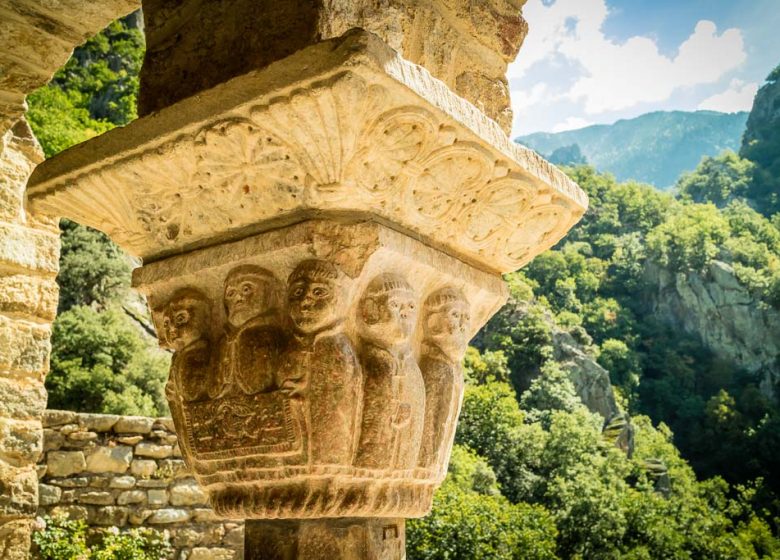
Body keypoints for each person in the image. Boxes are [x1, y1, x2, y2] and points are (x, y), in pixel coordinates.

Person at [277, 259, 361, 466]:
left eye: (319, 292)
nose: (305, 300)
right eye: (297, 293)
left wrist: (306, 388)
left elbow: (338, 395)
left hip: (327, 453)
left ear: (339, 300)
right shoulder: (293, 344)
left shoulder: (335, 344)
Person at [355, 274, 424, 470]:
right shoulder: (372, 357)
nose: (405, 312)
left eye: (411, 307)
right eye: (395, 304)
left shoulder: (409, 364)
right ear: (369, 310)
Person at [417, 287, 470, 472]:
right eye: (455, 315)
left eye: (466, 318)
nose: (463, 325)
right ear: (433, 323)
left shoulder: (452, 367)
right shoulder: (435, 366)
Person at [216, 265, 285, 397]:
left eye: (246, 289)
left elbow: (259, 383)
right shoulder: (224, 340)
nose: (238, 298)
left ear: (268, 294)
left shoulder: (268, 333)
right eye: (231, 294)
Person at [158, 287, 212, 404]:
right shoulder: (177, 357)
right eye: (166, 324)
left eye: (180, 319)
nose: (172, 328)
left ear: (206, 318)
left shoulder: (206, 352)